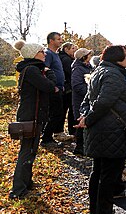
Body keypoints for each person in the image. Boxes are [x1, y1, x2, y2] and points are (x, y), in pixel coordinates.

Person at [75, 45, 126, 214]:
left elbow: (87, 100)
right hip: (111, 131)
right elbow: (103, 102)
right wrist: (88, 119)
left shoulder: (101, 71)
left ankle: (98, 213)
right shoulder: (112, 74)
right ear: (117, 59)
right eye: (125, 56)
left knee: (99, 173)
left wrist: (86, 116)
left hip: (103, 131)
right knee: (108, 176)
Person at [9, 41, 56, 199]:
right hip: (31, 116)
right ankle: (18, 190)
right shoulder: (32, 70)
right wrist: (50, 74)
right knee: (27, 151)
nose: (44, 54)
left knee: (30, 150)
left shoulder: (31, 69)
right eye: (42, 51)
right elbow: (49, 87)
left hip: (31, 114)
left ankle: (26, 183)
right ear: (34, 54)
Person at [41, 32, 66, 147]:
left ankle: (48, 137)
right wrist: (53, 86)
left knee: (57, 113)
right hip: (53, 90)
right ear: (51, 41)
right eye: (58, 39)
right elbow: (44, 70)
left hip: (59, 88)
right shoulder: (48, 54)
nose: (61, 41)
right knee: (55, 113)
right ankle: (46, 139)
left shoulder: (55, 54)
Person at [71, 48, 93, 156]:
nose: (90, 56)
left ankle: (84, 146)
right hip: (80, 100)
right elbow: (76, 85)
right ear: (84, 57)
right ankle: (79, 147)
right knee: (80, 123)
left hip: (86, 99)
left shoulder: (88, 67)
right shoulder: (78, 69)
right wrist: (90, 92)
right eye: (89, 54)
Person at [58, 42, 77, 140]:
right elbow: (71, 72)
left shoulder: (62, 58)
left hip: (65, 87)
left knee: (64, 110)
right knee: (69, 110)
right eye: (72, 48)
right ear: (66, 49)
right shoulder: (66, 60)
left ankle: (61, 130)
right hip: (68, 88)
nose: (75, 50)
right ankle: (70, 131)